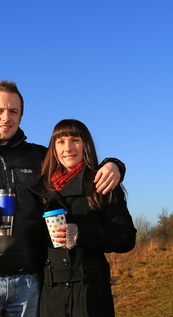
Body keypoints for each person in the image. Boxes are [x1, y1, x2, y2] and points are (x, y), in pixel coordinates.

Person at [0, 81, 126, 317]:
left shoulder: (39, 157)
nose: (6, 117)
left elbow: (73, 161)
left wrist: (114, 165)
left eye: (13, 111)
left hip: (30, 282)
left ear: (21, 116)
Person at [28, 119, 136, 317]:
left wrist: (81, 233)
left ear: (86, 144)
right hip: (51, 298)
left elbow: (126, 237)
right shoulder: (40, 190)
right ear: (53, 148)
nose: (67, 148)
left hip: (90, 295)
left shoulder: (101, 183)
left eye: (75, 140)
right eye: (60, 142)